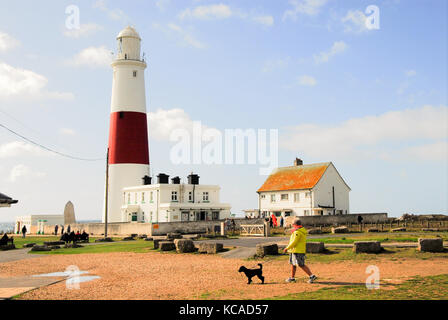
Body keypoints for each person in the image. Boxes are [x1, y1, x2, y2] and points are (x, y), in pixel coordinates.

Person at [283, 219, 317, 284]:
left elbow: (294, 242)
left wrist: (287, 248)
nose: (292, 226)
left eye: (293, 225)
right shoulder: (298, 231)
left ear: (295, 225)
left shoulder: (297, 232)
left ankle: (312, 276)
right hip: (294, 250)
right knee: (293, 264)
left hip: (298, 251)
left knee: (301, 264)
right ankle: (292, 278)